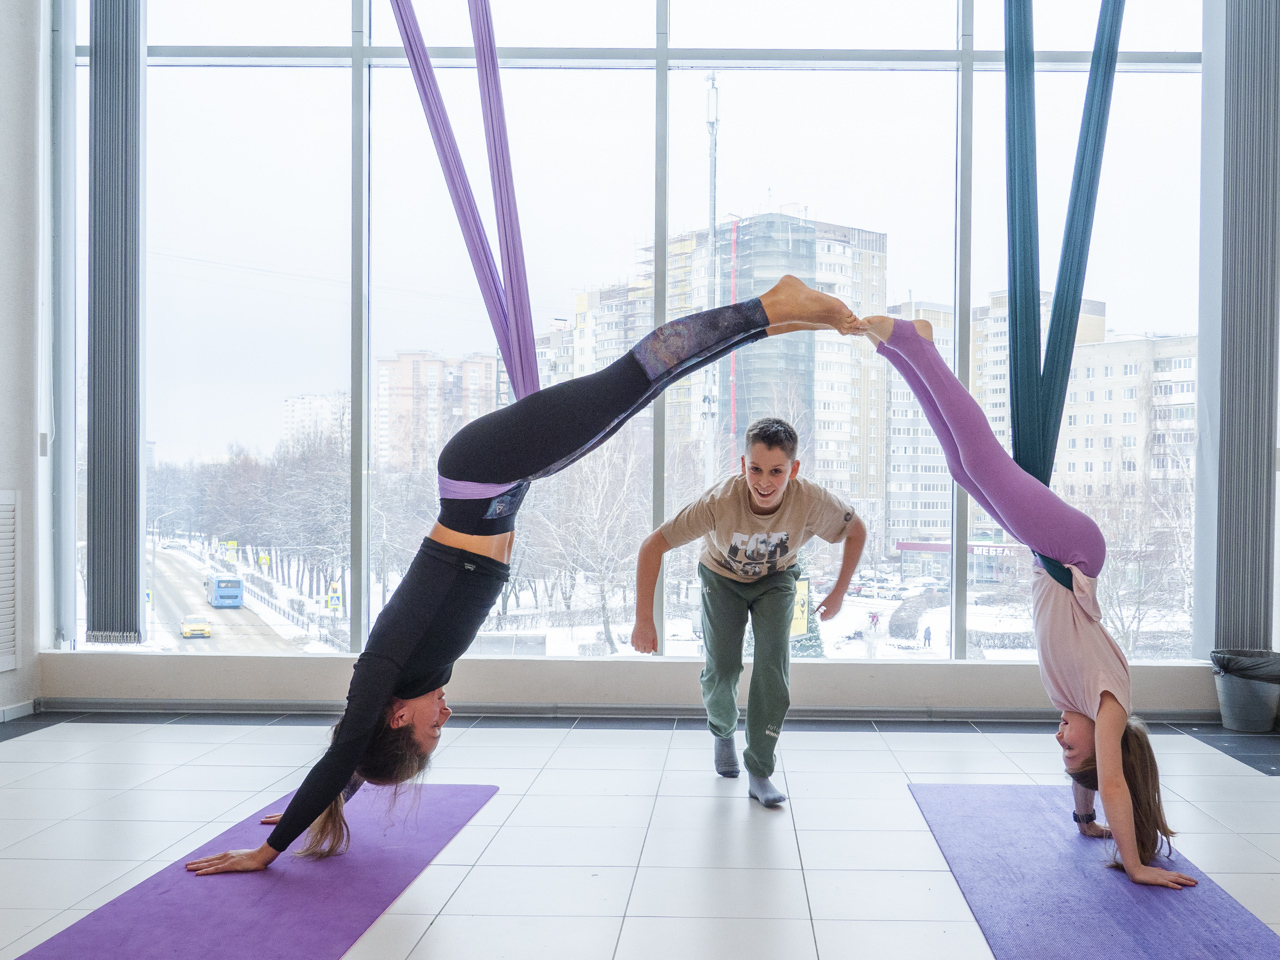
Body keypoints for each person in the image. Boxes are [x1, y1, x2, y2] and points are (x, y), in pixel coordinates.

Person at [185, 276, 855, 875]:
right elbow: (356, 757)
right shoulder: (407, 687)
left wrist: (269, 851)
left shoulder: (385, 670)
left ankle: (773, 304)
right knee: (632, 394)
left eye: (431, 728)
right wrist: (326, 803)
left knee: (634, 378)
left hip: (482, 473)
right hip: (501, 486)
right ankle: (778, 319)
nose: (446, 716)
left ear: (396, 716)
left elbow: (346, 748)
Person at [854, 313, 1194, 890]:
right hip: (1076, 554)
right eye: (1071, 746)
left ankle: (904, 355)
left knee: (964, 472)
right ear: (1108, 745)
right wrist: (1135, 864)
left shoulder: (1077, 709)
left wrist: (1084, 819)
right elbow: (1112, 778)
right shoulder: (1108, 704)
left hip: (1052, 557)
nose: (1060, 737)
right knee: (985, 461)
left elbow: (1092, 774)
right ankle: (912, 342)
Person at [632, 418, 866, 807]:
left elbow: (856, 530)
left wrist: (839, 593)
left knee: (772, 668)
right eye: (755, 469)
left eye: (776, 471)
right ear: (743, 465)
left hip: (777, 579)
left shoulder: (811, 500)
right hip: (721, 577)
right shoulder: (718, 502)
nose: (764, 482)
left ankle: (760, 770)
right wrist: (644, 619)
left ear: (793, 469)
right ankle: (723, 731)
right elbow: (652, 546)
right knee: (723, 668)